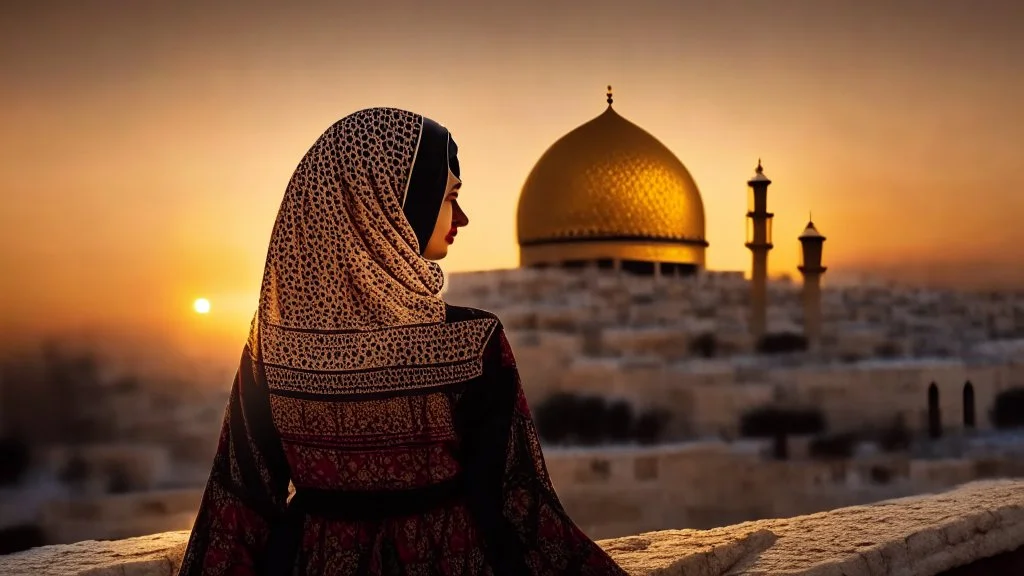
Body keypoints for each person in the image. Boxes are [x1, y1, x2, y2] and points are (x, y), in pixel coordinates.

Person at [176, 108, 628, 576]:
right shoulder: (469, 344)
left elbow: (240, 502)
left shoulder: (273, 346)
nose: (464, 217)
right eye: (450, 196)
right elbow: (517, 504)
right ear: (391, 203)